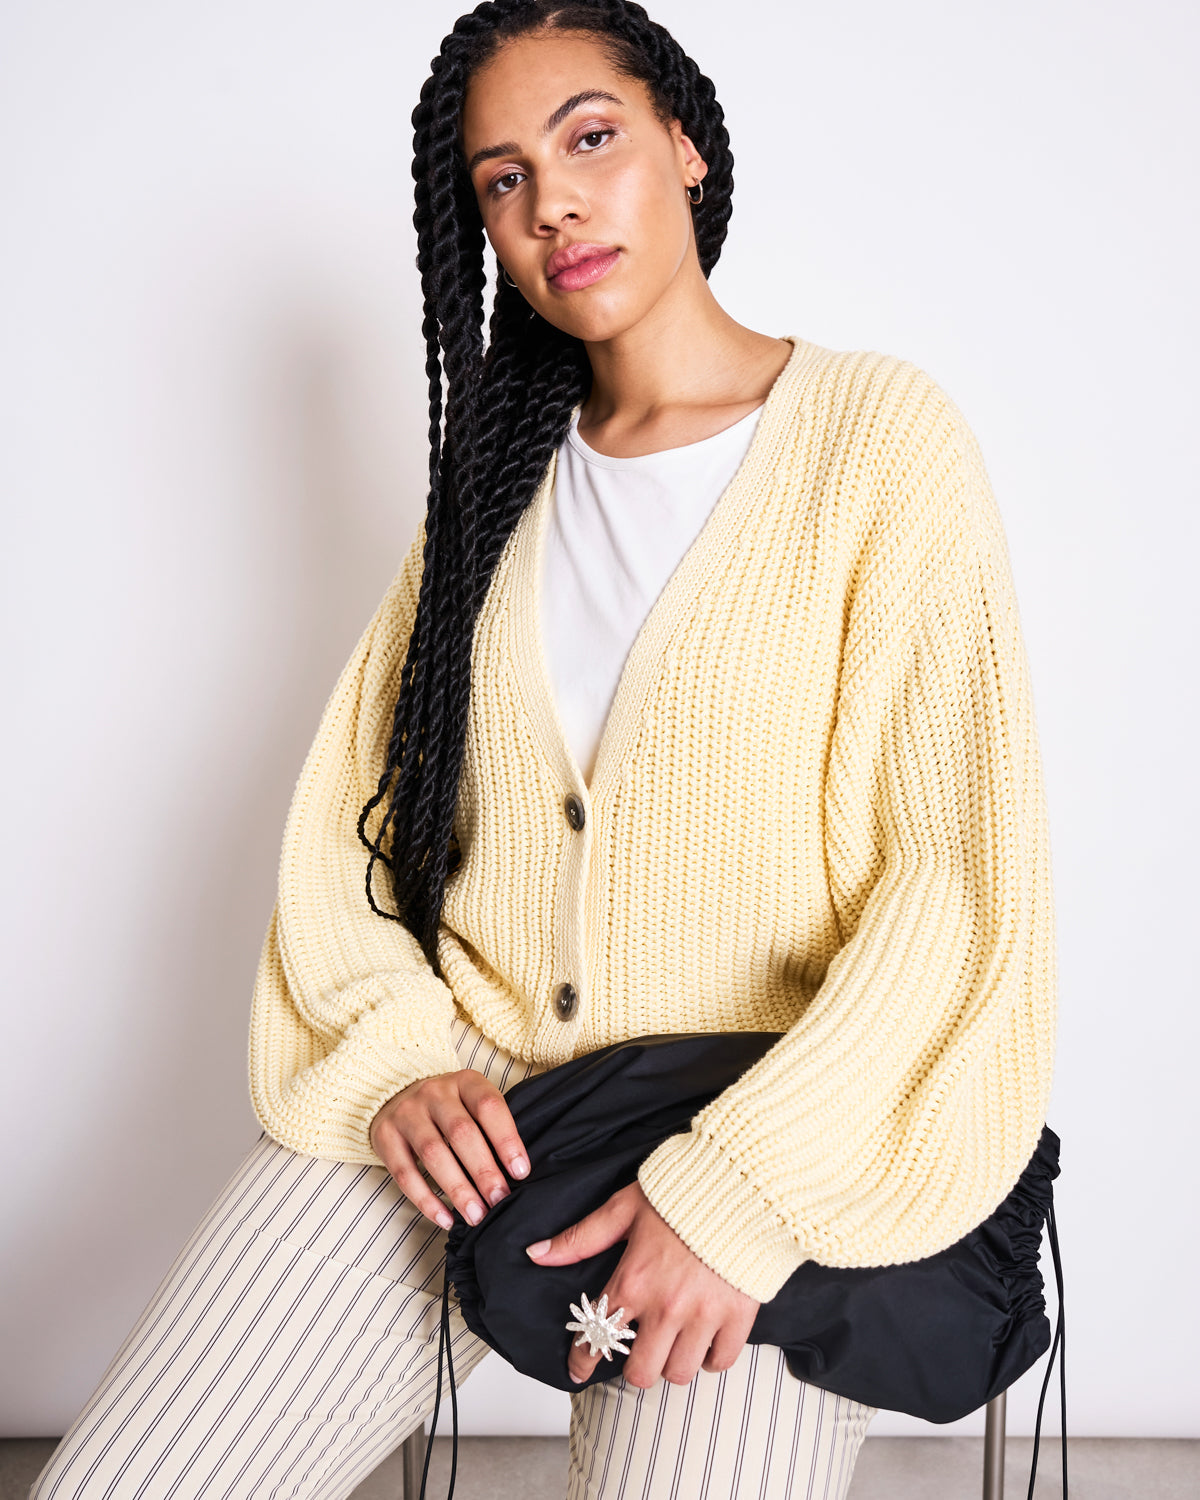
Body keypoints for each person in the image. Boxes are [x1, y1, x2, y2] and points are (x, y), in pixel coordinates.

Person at [30, 1, 1057, 1497]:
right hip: (467, 1112)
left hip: (749, 1134)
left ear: (686, 148)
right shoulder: (497, 482)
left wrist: (742, 1194)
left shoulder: (878, 442)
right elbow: (357, 830)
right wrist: (396, 1056)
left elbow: (954, 888)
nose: (553, 202)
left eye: (591, 139)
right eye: (503, 179)